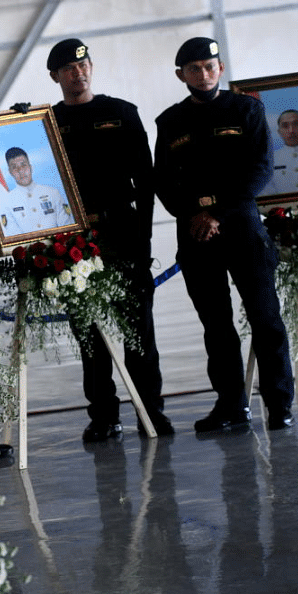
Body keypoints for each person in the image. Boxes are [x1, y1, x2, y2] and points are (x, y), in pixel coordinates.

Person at [154, 36, 294, 431]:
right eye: (194, 68)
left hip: (242, 230)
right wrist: (196, 216)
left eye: (210, 66)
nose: (203, 74)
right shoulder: (170, 121)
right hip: (197, 237)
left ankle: (279, 404)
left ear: (221, 69)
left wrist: (214, 211)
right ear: (181, 74)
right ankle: (232, 406)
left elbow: (260, 169)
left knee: (266, 319)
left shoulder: (246, 109)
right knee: (216, 326)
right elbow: (163, 181)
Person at [45, 38, 171, 440]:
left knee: (138, 333)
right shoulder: (47, 122)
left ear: (91, 68)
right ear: (55, 76)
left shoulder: (121, 112)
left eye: (83, 67)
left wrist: (144, 242)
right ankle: (103, 415)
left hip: (122, 232)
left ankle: (151, 411)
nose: (77, 74)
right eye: (68, 69)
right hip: (75, 240)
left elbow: (147, 183)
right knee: (90, 335)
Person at [0, 147, 74, 237]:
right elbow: (13, 235)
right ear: (10, 172)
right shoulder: (7, 202)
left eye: (23, 165)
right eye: (15, 167)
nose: (21, 171)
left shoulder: (53, 193)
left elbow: (67, 226)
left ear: (31, 167)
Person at [263, 109, 298, 195]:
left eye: (296, 124)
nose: (291, 130)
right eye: (285, 126)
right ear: (279, 132)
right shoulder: (269, 160)